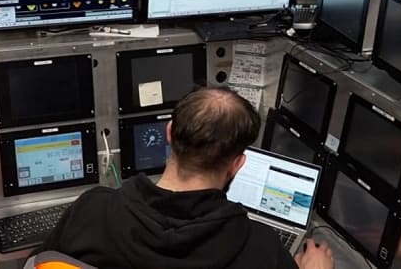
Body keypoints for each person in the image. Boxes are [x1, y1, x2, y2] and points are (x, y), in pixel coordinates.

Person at [44, 88, 334, 269]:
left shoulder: (91, 210)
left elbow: (42, 263)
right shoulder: (260, 248)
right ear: (238, 164)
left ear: (169, 134)